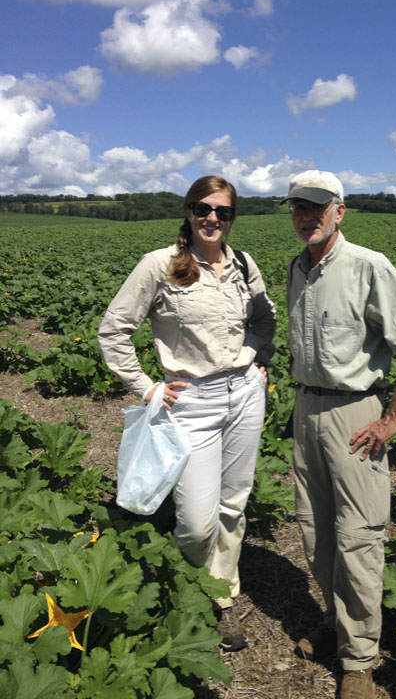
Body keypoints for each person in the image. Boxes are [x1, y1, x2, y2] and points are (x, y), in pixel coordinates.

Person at [98, 175, 276, 652]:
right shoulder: (159, 265)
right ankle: (189, 588)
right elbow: (113, 331)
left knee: (233, 504)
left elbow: (265, 318)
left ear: (234, 217)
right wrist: (147, 387)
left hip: (244, 394)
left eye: (223, 211)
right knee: (197, 521)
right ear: (189, 212)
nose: (212, 219)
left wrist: (257, 358)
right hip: (191, 401)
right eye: (203, 209)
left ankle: (219, 598)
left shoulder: (243, 264)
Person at [283, 170, 396, 699]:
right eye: (299, 206)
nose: (308, 215)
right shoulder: (297, 268)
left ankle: (360, 660)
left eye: (318, 207)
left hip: (355, 413)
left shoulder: (369, 266)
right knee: (315, 530)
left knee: (359, 538)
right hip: (306, 409)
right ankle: (336, 621)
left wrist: (392, 418)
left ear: (339, 211)